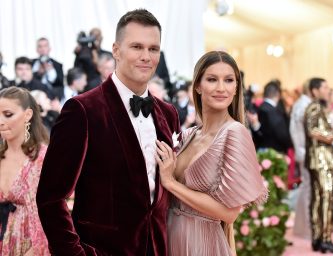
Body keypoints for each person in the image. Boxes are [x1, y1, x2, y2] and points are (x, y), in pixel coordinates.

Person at [36, 9, 180, 256]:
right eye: (136, 46)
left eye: (153, 49)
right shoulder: (82, 110)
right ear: (115, 50)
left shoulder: (168, 114)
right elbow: (51, 199)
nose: (146, 56)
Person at [155, 51, 268, 256]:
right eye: (212, 79)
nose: (221, 88)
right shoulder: (189, 135)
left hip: (202, 243)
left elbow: (229, 213)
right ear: (197, 86)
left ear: (236, 88)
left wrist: (171, 183)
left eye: (228, 80)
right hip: (170, 237)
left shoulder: (235, 133)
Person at [0, 87, 49, 255]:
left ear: (27, 115)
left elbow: (51, 215)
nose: (0, 121)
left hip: (31, 244)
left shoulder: (41, 158)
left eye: (7, 115)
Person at [304, 78, 333, 254]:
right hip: (320, 160)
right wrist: (330, 135)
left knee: (318, 199)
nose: (328, 90)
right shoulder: (315, 107)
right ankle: (326, 238)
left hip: (320, 159)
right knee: (327, 198)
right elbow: (311, 129)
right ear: (315, 91)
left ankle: (318, 239)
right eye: (325, 87)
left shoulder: (319, 107)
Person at [290, 80, 312, 239]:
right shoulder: (305, 105)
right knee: (308, 188)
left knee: (306, 186)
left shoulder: (301, 103)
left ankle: (301, 226)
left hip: (302, 150)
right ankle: (307, 227)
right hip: (306, 151)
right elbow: (301, 131)